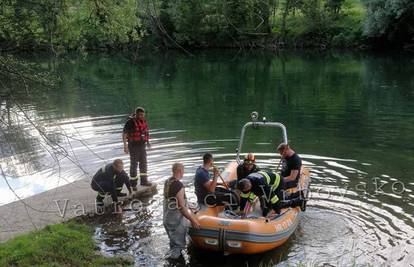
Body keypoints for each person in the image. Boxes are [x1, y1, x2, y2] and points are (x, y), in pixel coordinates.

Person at [163, 163, 200, 260]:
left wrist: (189, 205)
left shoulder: (167, 182)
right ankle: (174, 262)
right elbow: (181, 208)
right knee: (178, 247)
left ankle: (171, 258)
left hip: (167, 219)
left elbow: (172, 201)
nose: (183, 173)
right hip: (175, 221)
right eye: (183, 171)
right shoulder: (179, 186)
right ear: (180, 171)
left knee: (173, 243)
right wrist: (193, 220)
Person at [237, 171, 305, 217]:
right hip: (266, 182)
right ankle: (297, 194)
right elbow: (244, 198)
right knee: (265, 210)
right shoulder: (245, 183)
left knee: (278, 203)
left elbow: (274, 199)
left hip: (278, 182)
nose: (245, 191)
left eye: (246, 190)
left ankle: (298, 201)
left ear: (249, 186)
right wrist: (242, 210)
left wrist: (276, 212)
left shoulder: (261, 184)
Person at [123, 107, 152, 189]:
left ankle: (144, 181)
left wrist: (148, 143)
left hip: (142, 145)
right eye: (140, 115)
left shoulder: (143, 121)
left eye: (143, 115)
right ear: (136, 114)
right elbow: (124, 134)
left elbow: (145, 133)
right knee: (134, 164)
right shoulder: (130, 122)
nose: (142, 116)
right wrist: (125, 146)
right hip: (133, 146)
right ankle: (133, 184)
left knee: (143, 163)